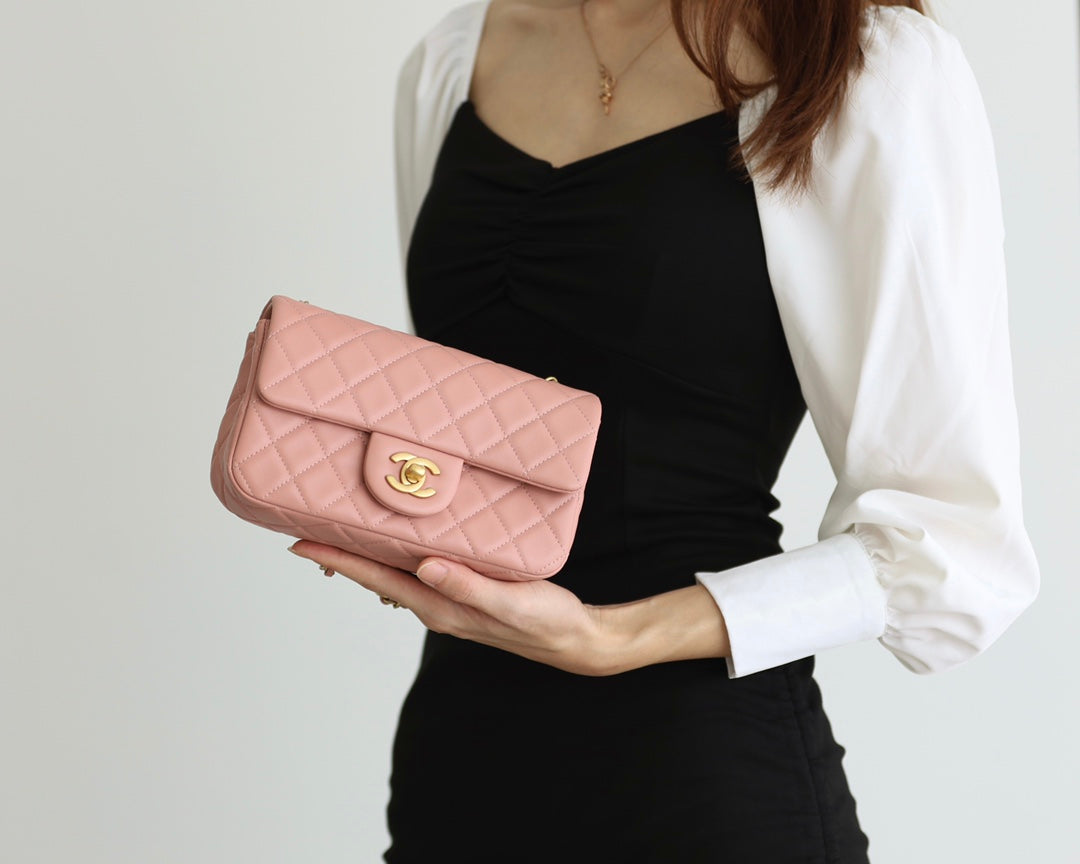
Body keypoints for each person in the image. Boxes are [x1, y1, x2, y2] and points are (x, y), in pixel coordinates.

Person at [286, 0, 1041, 860]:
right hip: (457, 766)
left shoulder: (866, 63)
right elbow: (452, 427)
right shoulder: (452, 59)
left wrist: (608, 638)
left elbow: (951, 546)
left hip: (703, 778)